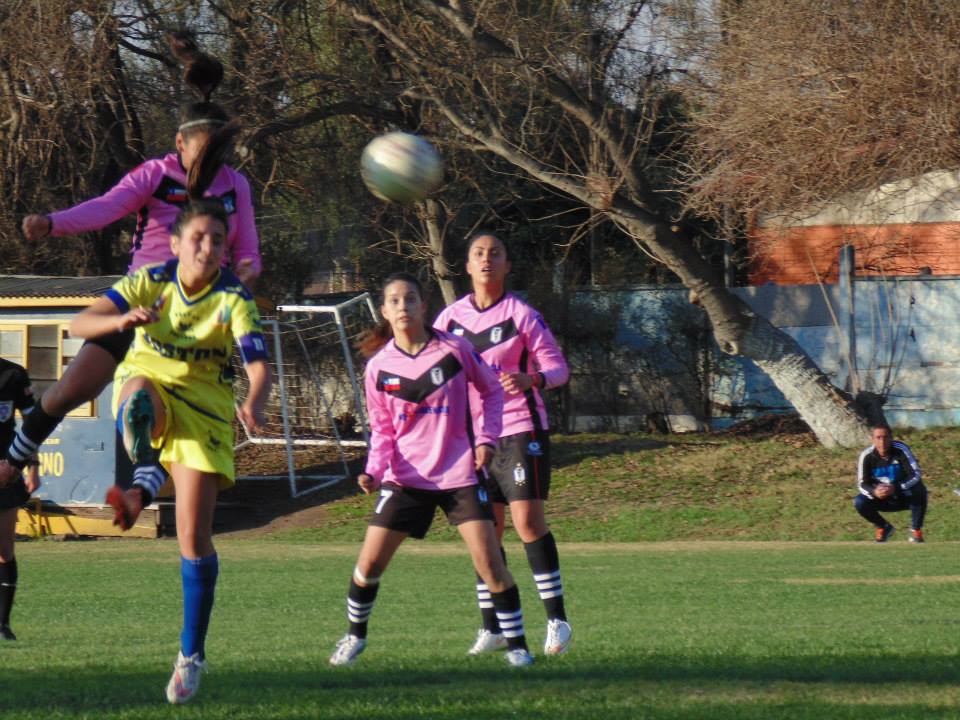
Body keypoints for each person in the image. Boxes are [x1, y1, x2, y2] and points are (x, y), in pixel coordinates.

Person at [0, 31, 261, 507]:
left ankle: (148, 482)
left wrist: (244, 272)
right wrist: (53, 223)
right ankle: (16, 458)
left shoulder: (234, 185)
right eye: (200, 153)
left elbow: (249, 251)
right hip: (143, 296)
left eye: (217, 155)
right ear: (179, 142)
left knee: (164, 406)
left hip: (199, 315)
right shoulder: (156, 175)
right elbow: (106, 207)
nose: (210, 163)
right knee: (72, 390)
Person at [68, 197, 271, 704]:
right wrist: (122, 321)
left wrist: (257, 402)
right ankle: (142, 477)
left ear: (225, 251)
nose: (207, 246)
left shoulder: (233, 299)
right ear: (176, 243)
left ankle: (190, 655)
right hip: (151, 384)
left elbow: (258, 364)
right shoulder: (151, 281)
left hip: (205, 411)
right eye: (197, 237)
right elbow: (79, 325)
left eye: (218, 240)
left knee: (193, 538)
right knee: (136, 398)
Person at [329, 272, 534, 668]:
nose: (403, 307)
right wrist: (373, 470)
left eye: (410, 299)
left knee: (491, 565)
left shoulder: (454, 350)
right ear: (384, 311)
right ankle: (354, 637)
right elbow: (383, 431)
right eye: (394, 301)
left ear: (424, 306)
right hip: (406, 479)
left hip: (459, 476)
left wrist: (487, 440)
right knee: (368, 565)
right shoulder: (379, 368)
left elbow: (492, 391)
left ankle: (518, 648)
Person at [433, 232, 572, 656]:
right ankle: (493, 627)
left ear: (508, 265)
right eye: (478, 254)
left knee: (527, 522)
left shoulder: (523, 315)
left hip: (519, 428)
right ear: (467, 266)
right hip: (474, 437)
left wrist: (532, 379)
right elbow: (432, 368)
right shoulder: (449, 320)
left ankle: (556, 621)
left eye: (496, 253)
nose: (487, 259)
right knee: (485, 532)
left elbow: (558, 369)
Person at [0, 359, 40, 641]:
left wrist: (33, 465)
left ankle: (2, 625)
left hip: (6, 470)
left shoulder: (13, 374)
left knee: (4, 549)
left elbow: (33, 421)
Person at [855, 423, 927, 543]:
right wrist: (875, 491)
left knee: (920, 491)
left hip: (902, 494)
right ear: (873, 439)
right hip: (882, 498)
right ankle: (883, 527)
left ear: (891, 438)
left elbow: (915, 474)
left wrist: (895, 487)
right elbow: (862, 483)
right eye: (878, 438)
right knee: (859, 502)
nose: (882, 441)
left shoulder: (901, 450)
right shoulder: (867, 456)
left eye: (885, 437)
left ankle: (916, 530)